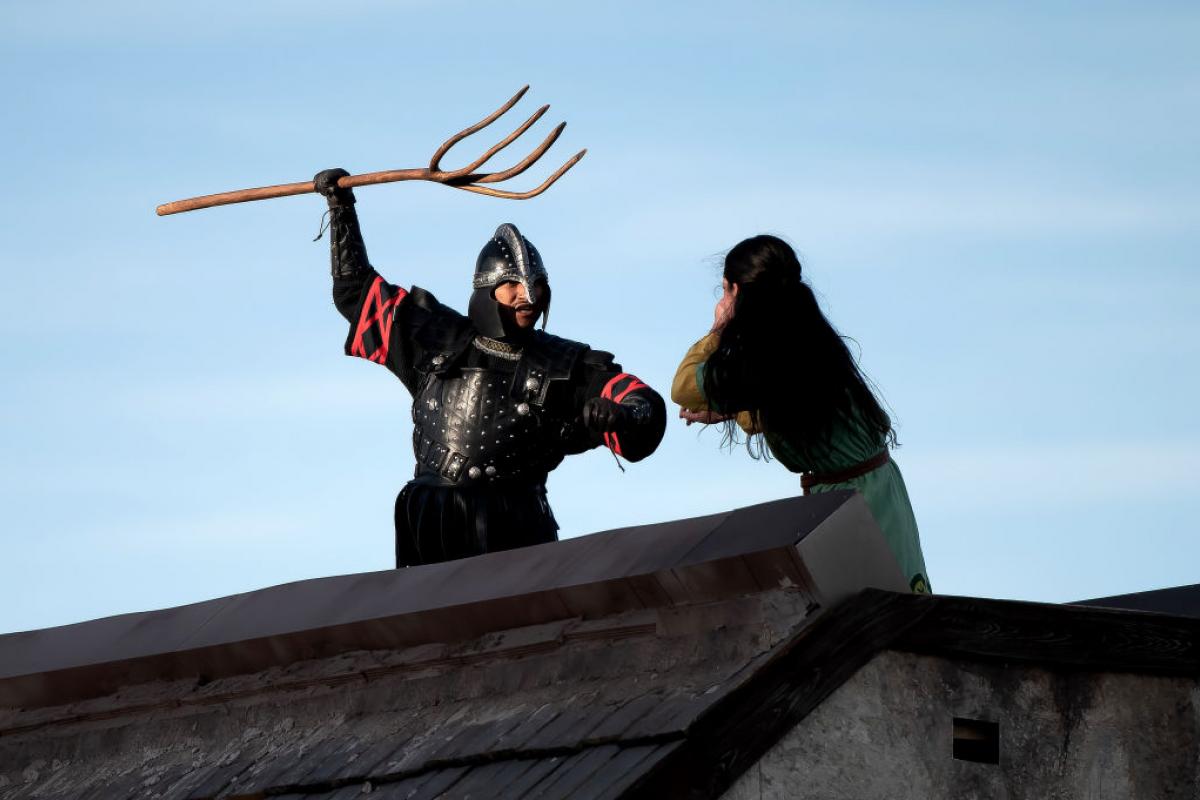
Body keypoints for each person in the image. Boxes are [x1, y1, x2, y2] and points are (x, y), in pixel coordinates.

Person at [314, 168, 666, 567]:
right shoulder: (434, 337)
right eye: (513, 283)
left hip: (516, 527)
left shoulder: (566, 363)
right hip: (434, 524)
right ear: (487, 288)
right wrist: (341, 208)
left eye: (536, 284)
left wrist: (622, 413)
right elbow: (355, 292)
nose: (527, 295)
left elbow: (641, 400)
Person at [671, 234, 930, 593]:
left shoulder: (771, 350)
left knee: (879, 608)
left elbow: (683, 386)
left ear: (737, 293)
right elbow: (797, 407)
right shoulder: (803, 333)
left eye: (726, 291)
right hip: (872, 489)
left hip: (856, 501)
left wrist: (718, 329)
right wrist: (734, 413)